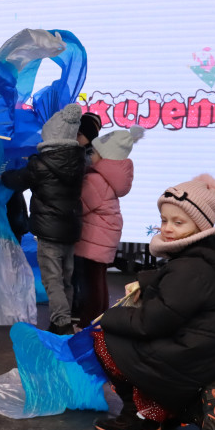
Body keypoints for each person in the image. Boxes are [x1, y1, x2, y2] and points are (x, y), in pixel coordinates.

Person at [94, 175, 215, 430]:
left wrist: (108, 317)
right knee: (127, 339)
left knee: (104, 338)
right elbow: (178, 293)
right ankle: (183, 408)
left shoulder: (190, 269)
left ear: (201, 225)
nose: (167, 228)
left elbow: (152, 322)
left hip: (186, 358)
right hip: (201, 357)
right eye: (164, 220)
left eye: (178, 222)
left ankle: (142, 416)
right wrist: (147, 284)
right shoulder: (204, 259)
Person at [1, 103, 86, 335]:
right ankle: (61, 319)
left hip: (49, 232)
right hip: (71, 229)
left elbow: (16, 180)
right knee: (66, 277)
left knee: (52, 279)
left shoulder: (40, 164)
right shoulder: (80, 162)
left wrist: (3, 173)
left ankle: (62, 323)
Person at [72, 126, 143, 327]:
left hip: (94, 239)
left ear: (105, 157)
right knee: (98, 281)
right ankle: (100, 321)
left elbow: (81, 205)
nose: (90, 156)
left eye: (94, 152)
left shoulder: (95, 179)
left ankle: (89, 324)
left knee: (91, 285)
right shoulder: (107, 179)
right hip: (102, 237)